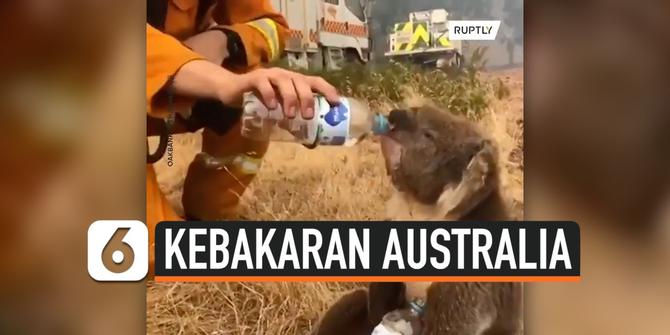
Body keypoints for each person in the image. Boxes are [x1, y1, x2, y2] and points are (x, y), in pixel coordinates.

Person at [146, 0, 339, 271]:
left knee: (256, 90)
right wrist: (221, 82)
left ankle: (208, 217)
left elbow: (272, 26)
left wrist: (227, 39)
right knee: (151, 252)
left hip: (174, 92)